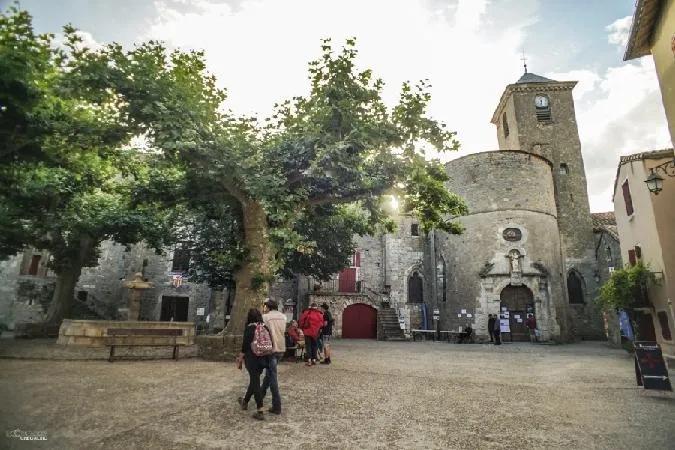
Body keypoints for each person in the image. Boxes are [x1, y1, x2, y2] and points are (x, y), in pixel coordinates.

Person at [236, 308, 270, 420]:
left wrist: (240, 358)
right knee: (254, 379)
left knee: (255, 382)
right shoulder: (264, 327)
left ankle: (260, 410)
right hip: (263, 357)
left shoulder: (250, 328)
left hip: (252, 358)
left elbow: (245, 346)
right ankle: (245, 401)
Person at [261, 299, 286, 415]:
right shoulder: (284, 317)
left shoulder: (265, 317)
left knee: (272, 376)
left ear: (267, 307)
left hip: (271, 348)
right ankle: (260, 394)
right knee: (270, 373)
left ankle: (277, 406)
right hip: (281, 347)